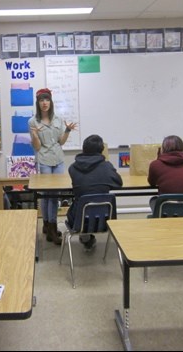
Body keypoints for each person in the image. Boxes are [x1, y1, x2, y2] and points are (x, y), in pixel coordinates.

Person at [28, 88, 78, 245]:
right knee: (46, 195)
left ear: (51, 102)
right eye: (42, 100)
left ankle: (50, 225)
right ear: (38, 103)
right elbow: (37, 147)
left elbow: (61, 142)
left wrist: (68, 130)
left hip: (58, 159)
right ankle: (49, 227)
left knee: (55, 195)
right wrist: (35, 135)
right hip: (44, 160)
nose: (45, 103)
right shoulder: (32, 122)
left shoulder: (58, 119)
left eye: (47, 100)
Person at [67, 134, 123, 250]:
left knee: (82, 203)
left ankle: (86, 238)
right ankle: (87, 238)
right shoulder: (106, 166)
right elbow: (118, 183)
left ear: (83, 148)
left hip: (79, 218)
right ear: (101, 150)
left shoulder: (72, 168)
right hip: (104, 218)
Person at [148, 135, 183, 216]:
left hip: (166, 212)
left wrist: (159, 158)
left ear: (163, 149)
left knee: (154, 200)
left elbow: (152, 182)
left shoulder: (155, 165)